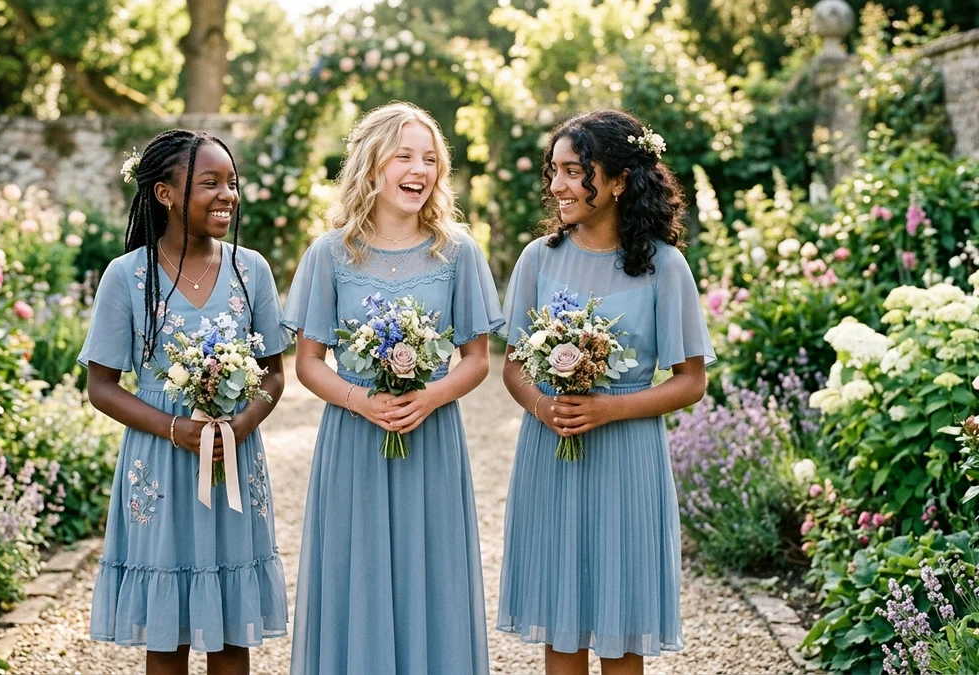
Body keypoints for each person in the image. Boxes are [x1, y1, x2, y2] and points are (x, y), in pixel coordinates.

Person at [284, 102, 503, 674]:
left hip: (431, 438)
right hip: (353, 440)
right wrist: (362, 401)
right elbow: (308, 363)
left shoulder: (457, 252)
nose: (419, 169)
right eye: (404, 155)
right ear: (372, 165)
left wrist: (428, 397)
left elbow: (477, 359)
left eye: (430, 159)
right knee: (354, 570)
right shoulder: (328, 254)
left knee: (432, 570)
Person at [496, 110, 715, 675]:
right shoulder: (538, 260)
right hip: (552, 453)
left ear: (618, 181)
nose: (557, 185)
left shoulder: (665, 268)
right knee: (560, 621)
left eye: (574, 171)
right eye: (555, 171)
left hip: (627, 460)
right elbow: (515, 369)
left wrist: (608, 409)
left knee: (622, 633)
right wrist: (546, 406)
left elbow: (692, 381)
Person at [80, 129, 289, 675]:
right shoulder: (127, 277)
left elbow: (273, 375)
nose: (227, 195)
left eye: (232, 183)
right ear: (166, 195)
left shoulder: (253, 271)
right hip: (160, 465)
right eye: (210, 184)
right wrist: (178, 429)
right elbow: (101, 387)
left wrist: (240, 426)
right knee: (166, 633)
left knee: (230, 629)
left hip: (234, 466)